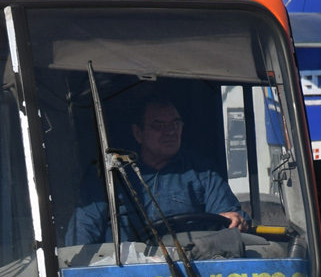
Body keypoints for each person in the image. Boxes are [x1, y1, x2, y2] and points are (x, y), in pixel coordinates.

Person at [65, 97, 246, 246]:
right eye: (159, 126)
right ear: (138, 133)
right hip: (125, 275)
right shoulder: (112, 174)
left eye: (175, 124)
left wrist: (234, 220)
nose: (171, 132)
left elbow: (228, 217)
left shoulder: (203, 171)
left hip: (193, 269)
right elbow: (83, 229)